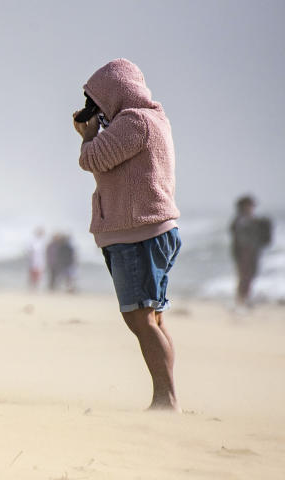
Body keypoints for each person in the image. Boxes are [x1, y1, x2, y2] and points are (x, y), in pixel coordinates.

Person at [73, 59, 182, 411]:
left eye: (98, 100)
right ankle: (166, 395)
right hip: (147, 230)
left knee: (140, 317)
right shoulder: (154, 118)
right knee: (150, 316)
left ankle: (166, 399)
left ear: (115, 93)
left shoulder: (134, 120)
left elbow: (94, 159)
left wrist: (88, 136)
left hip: (138, 232)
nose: (97, 108)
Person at [230, 195, 273, 306]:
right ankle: (241, 300)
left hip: (252, 252)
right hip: (243, 253)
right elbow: (239, 239)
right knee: (245, 277)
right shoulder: (241, 221)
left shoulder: (250, 221)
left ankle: (244, 299)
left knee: (249, 276)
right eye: (249, 206)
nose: (251, 208)